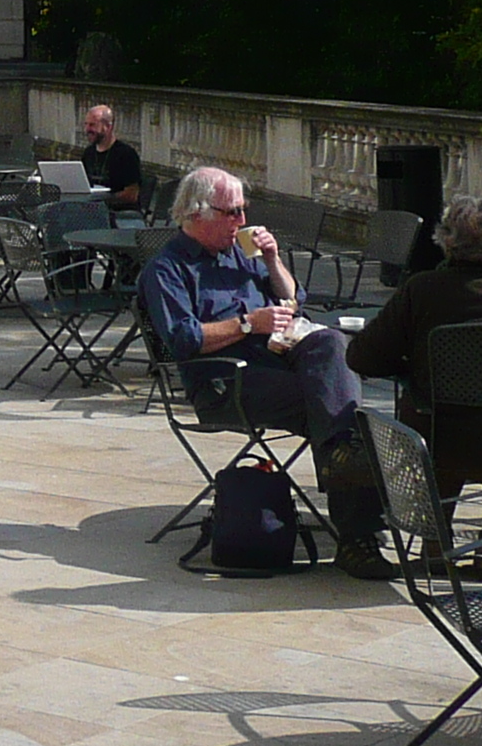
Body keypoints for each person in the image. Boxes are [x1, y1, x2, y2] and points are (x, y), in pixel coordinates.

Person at [138, 164, 387, 576]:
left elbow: (295, 299)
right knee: (344, 414)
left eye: (243, 209)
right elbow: (181, 340)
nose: (242, 220)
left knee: (329, 344)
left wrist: (272, 260)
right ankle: (358, 537)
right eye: (231, 211)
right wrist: (247, 324)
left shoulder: (241, 250)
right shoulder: (167, 269)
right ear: (197, 214)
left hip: (276, 361)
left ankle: (345, 457)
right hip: (223, 381)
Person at [346, 196, 482, 542]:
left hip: (435, 437)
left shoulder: (421, 290)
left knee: (434, 418)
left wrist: (411, 362)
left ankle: (435, 542)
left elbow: (362, 357)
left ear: (447, 240)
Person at [77, 104, 145, 212]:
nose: (87, 129)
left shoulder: (126, 154)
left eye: (92, 125)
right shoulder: (88, 153)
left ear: (108, 127)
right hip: (93, 211)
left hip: (121, 213)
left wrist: (103, 199)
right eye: (86, 124)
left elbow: (131, 195)